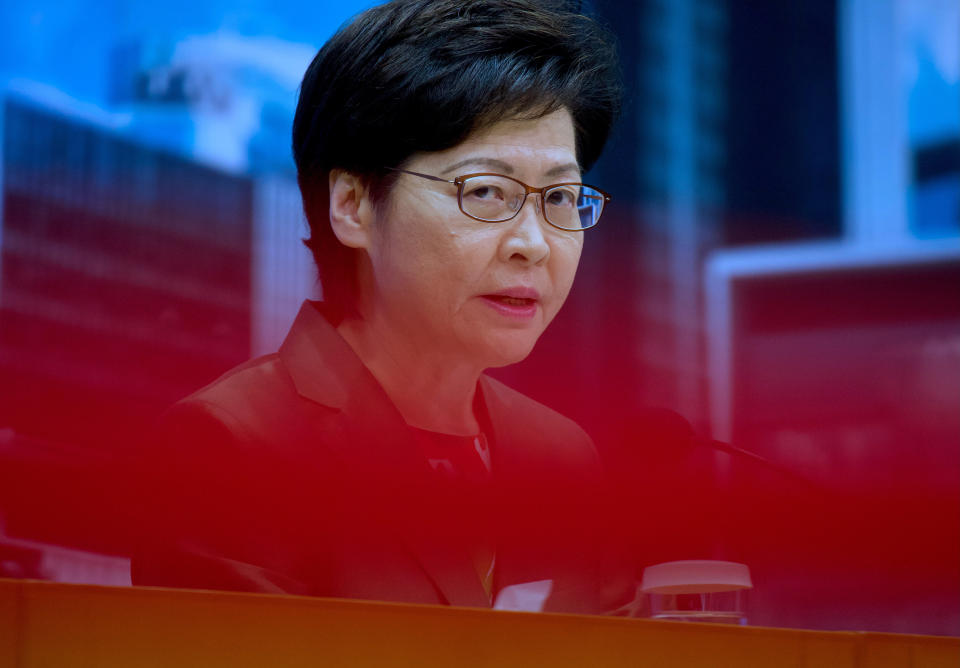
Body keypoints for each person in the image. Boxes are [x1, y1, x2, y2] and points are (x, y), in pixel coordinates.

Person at [132, 0, 630, 614]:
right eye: (485, 192)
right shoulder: (229, 448)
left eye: (560, 197)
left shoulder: (563, 460)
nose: (532, 243)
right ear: (353, 206)